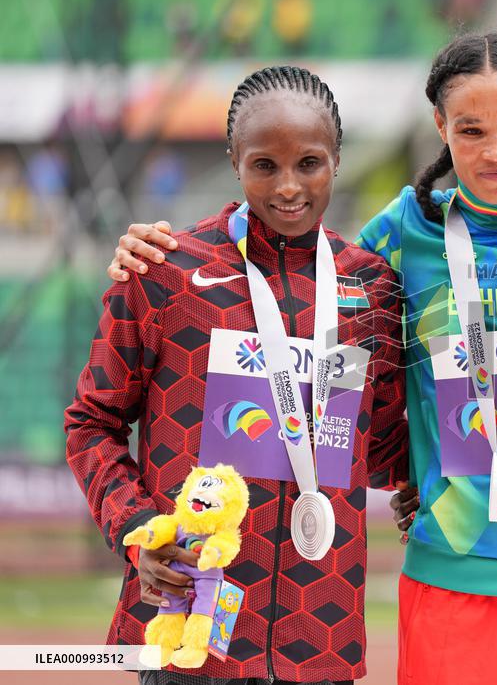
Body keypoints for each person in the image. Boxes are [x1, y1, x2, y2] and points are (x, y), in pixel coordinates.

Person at [107, 31, 497, 685]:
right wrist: (152, 252)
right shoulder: (399, 238)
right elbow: (305, 284)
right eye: (471, 129)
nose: (496, 149)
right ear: (441, 126)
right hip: (452, 571)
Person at [67, 66, 408, 685]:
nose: (287, 187)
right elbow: (91, 424)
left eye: (309, 163)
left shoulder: (372, 289)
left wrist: (442, 476)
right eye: (263, 165)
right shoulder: (164, 273)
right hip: (188, 635)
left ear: (336, 159)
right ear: (233, 160)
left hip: (318, 643)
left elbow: (380, 446)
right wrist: (142, 532)